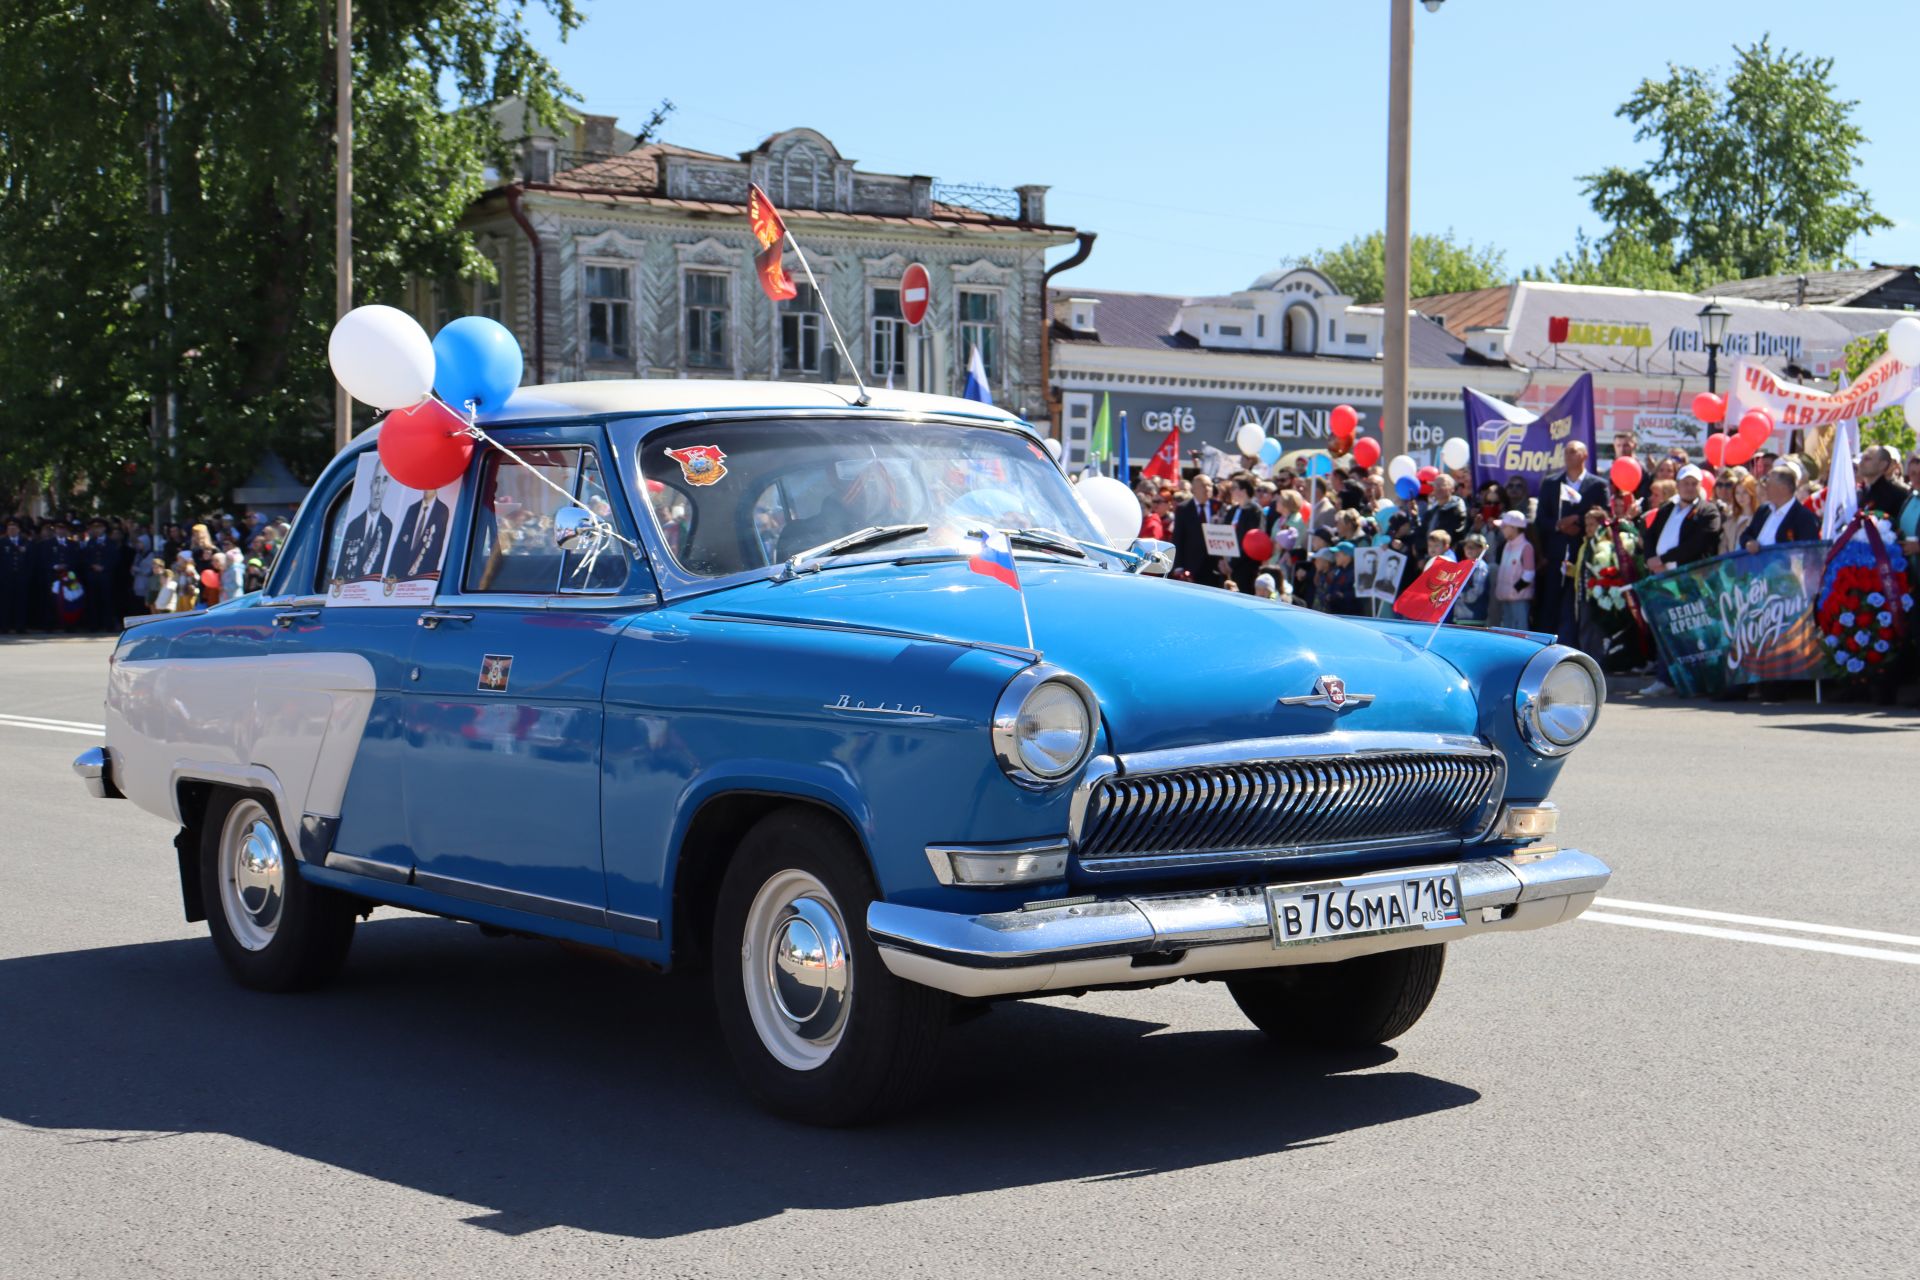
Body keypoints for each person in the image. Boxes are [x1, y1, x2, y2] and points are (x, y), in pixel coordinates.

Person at [1533, 440, 1610, 635]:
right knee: (1550, 603)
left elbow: (1604, 517)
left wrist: (1579, 523)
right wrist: (1560, 525)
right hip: (1556, 555)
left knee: (1577, 606)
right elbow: (1541, 519)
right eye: (1566, 452)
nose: (1568, 456)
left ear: (1584, 456)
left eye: (1573, 452)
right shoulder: (1551, 483)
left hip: (1584, 556)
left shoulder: (1598, 485)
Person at [1646, 465, 1723, 574]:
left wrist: (1663, 559)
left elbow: (1698, 543)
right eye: (1686, 483)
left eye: (1694, 484)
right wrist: (1651, 559)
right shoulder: (1667, 508)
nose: (1690, 488)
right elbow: (1650, 535)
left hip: (1691, 577)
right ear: (1677, 485)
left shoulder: (1708, 511)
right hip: (1661, 576)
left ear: (1700, 486)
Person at [1743, 463, 1819, 551]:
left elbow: (1809, 553)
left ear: (1783, 489)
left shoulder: (1804, 517)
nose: (1765, 487)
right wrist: (1748, 542)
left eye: (1769, 483)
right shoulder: (1763, 510)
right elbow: (1746, 535)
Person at [1170, 473, 1226, 587]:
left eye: (1210, 486)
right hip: (1191, 565)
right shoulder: (1183, 508)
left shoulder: (1219, 507)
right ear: (1194, 489)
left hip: (1214, 566)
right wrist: (1178, 566)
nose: (1207, 489)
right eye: (1203, 486)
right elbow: (1178, 537)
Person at [1492, 510, 1536, 631]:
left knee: (1520, 630)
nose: (1502, 529)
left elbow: (1529, 574)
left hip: (1519, 600)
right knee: (1507, 630)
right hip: (1506, 597)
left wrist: (1515, 589)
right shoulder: (1507, 545)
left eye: (1504, 526)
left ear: (1514, 528)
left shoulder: (1526, 547)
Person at [1224, 474, 1265, 593]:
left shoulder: (1255, 511)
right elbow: (1225, 534)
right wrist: (1223, 561)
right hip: (1229, 564)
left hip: (1245, 566)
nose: (1230, 492)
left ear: (1243, 490)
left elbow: (1253, 540)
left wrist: (1234, 564)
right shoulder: (1232, 510)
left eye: (1234, 488)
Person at [1454, 532, 1491, 626]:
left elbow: (1475, 593)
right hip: (1461, 617)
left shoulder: (1480, 567)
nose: (1468, 549)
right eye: (1466, 546)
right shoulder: (1466, 565)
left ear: (1481, 549)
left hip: (1474, 618)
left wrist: (1458, 593)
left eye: (1472, 547)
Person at [0, 518, 29, 633]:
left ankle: (20, 626)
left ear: (18, 529)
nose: (11, 530)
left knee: (21, 603)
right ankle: (4, 627)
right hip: (6, 578)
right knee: (5, 603)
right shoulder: (2, 542)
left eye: (14, 528)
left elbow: (30, 561)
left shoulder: (25, 541)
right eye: (9, 528)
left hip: (21, 577)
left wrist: (27, 575)